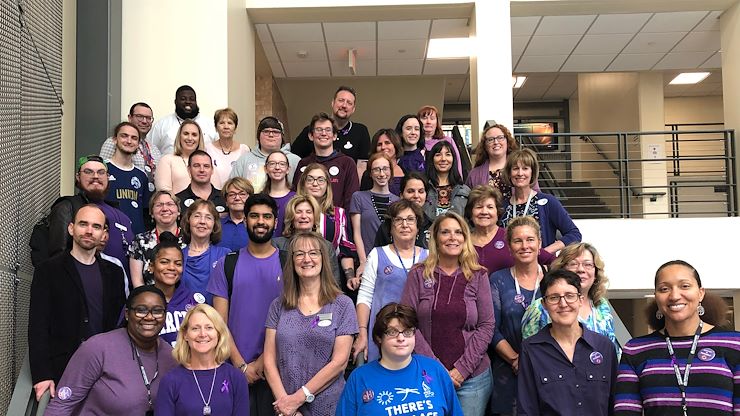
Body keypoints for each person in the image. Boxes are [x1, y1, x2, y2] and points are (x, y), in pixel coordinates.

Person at [615, 260, 739, 415]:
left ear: (700, 293)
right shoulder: (635, 349)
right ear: (656, 297)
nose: (674, 296)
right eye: (664, 289)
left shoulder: (734, 344)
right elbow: (625, 412)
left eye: (685, 286)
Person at [29, 204, 127, 401]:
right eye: (83, 224)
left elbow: (119, 325)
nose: (89, 231)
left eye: (96, 226)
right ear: (71, 228)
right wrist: (42, 374)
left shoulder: (114, 273)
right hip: (63, 370)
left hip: (104, 372)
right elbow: (38, 325)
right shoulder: (48, 270)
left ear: (103, 234)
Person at [401, 212, 494, 416]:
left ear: (465, 238)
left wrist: (462, 369)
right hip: (426, 375)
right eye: (445, 232)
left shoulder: (479, 275)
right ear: (435, 238)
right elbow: (407, 323)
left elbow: (487, 326)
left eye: (458, 232)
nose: (453, 237)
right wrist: (437, 369)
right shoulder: (418, 274)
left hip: (473, 379)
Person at [263, 231, 358, 416]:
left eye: (313, 253)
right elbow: (268, 361)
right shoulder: (278, 305)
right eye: (299, 254)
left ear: (323, 259)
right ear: (292, 261)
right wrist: (286, 405)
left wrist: (297, 398)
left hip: (330, 407)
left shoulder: (342, 305)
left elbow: (340, 362)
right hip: (286, 408)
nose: (307, 259)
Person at [44, 286, 177, 415]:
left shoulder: (171, 357)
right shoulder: (98, 348)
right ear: (127, 314)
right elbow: (61, 406)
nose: (149, 317)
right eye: (141, 310)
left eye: (157, 311)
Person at [209, 193, 284, 416]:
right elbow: (219, 323)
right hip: (235, 371)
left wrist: (263, 362)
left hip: (280, 371)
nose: (261, 221)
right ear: (246, 219)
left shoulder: (288, 263)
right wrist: (242, 366)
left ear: (275, 222)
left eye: (267, 216)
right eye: (254, 216)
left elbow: (293, 318)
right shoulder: (227, 264)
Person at [517, 269, 617, 416]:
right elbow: (527, 409)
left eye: (570, 296)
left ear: (581, 300)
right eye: (554, 298)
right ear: (544, 304)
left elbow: (615, 404)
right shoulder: (531, 349)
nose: (563, 304)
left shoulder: (604, 346)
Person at [337, 303, 464, 416]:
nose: (401, 338)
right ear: (379, 337)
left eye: (408, 332)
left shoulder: (434, 370)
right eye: (393, 332)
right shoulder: (359, 378)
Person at [353, 200, 428, 363]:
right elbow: (365, 296)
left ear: (418, 227)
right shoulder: (377, 254)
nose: (404, 224)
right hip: (383, 333)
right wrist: (362, 332)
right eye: (398, 220)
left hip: (419, 335)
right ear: (390, 227)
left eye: (410, 219)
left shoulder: (429, 257)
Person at [489, 215, 547, 415]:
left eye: (530, 239)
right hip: (509, 369)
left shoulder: (554, 279)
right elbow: (491, 328)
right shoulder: (498, 280)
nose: (525, 246)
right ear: (509, 246)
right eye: (518, 240)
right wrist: (515, 360)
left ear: (539, 243)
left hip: (549, 370)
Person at [521, 242, 621, 355]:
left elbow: (611, 349)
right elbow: (530, 354)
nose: (581, 270)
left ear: (596, 272)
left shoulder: (601, 305)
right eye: (573, 264)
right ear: (561, 269)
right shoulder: (539, 308)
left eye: (588, 264)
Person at [43, 155, 134, 273]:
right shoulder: (68, 207)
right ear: (78, 177)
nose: (95, 176)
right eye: (88, 172)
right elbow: (58, 255)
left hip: (118, 285)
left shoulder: (122, 215)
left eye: (101, 172)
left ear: (107, 177)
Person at [155, 304, 250, 415]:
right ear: (185, 335)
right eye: (195, 328)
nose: (202, 334)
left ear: (219, 334)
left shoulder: (236, 378)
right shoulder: (170, 381)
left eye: (209, 328)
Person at [500, 148, 581, 254]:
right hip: (510, 267)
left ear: (532, 173)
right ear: (509, 173)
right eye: (515, 168)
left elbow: (574, 234)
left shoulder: (548, 202)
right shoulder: (503, 207)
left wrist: (545, 252)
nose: (520, 173)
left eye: (525, 168)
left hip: (541, 266)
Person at [466, 185, 554, 275]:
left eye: (490, 207)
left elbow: (553, 262)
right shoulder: (463, 241)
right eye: (479, 207)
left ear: (498, 212)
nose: (484, 212)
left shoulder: (512, 237)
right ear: (471, 212)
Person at [296, 163, 358, 283]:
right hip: (301, 275)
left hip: (330, 276)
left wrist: (350, 276)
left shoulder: (339, 213)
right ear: (303, 184)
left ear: (327, 185)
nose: (315, 184)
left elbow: (344, 249)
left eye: (321, 180)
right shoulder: (295, 211)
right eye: (310, 179)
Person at [292, 112, 360, 211]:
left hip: (336, 222)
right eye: (319, 130)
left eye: (328, 130)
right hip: (306, 221)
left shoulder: (347, 163)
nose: (323, 133)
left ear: (334, 135)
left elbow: (351, 201)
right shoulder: (303, 164)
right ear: (311, 135)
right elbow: (296, 196)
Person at [149, 231, 206, 346]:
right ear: (151, 267)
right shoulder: (140, 300)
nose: (171, 268)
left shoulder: (194, 301)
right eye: (164, 262)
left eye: (178, 264)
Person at [291, 86, 371, 165]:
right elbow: (293, 159)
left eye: (349, 103)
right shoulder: (312, 130)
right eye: (341, 100)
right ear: (333, 103)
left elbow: (362, 166)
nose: (344, 105)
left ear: (353, 109)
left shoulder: (361, 131)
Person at [272, 194, 342, 285]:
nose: (304, 216)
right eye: (298, 212)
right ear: (291, 217)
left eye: (308, 212)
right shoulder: (277, 244)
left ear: (315, 217)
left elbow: (334, 283)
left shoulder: (326, 246)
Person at [350, 152, 400, 273]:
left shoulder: (398, 201)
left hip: (391, 263)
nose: (381, 174)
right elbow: (356, 233)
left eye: (385, 169)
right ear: (371, 174)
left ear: (391, 172)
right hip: (367, 260)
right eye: (376, 169)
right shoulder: (359, 197)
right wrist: (363, 262)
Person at [128, 190, 185, 287]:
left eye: (170, 204)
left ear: (178, 211)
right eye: (159, 205)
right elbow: (138, 283)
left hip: (185, 299)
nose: (165, 208)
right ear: (151, 213)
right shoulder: (140, 241)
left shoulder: (189, 239)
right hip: (150, 298)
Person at [230, 116, 300, 193]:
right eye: (266, 131)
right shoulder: (244, 160)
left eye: (275, 132)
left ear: (282, 137)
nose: (271, 135)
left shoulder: (295, 161)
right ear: (258, 136)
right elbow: (232, 188)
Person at [99, 102, 161, 186]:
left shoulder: (154, 149)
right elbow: (101, 171)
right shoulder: (114, 142)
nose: (144, 121)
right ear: (130, 118)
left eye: (148, 118)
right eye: (139, 116)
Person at [105, 121, 150, 234]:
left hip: (136, 237)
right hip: (110, 236)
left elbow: (145, 211)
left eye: (134, 138)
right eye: (124, 136)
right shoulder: (103, 170)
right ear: (115, 140)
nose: (129, 141)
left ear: (138, 144)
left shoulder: (141, 175)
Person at [180, 200, 230, 300]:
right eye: (197, 216)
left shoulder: (225, 255)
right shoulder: (178, 255)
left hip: (215, 314)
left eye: (208, 217)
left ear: (214, 225)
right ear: (188, 220)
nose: (202, 221)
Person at [149, 85, 218, 155]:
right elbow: (150, 151)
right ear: (175, 102)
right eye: (183, 99)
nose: (188, 102)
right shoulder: (161, 125)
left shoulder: (210, 125)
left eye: (191, 99)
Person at [374, 171, 433, 249]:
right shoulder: (388, 226)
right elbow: (379, 255)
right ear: (401, 195)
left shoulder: (432, 226)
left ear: (426, 196)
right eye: (410, 191)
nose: (416, 195)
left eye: (421, 191)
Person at [466, 124, 520, 199]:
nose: (496, 142)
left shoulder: (522, 169)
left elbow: (534, 196)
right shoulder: (474, 174)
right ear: (485, 145)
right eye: (490, 139)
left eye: (500, 138)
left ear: (507, 142)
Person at [155, 119, 207, 194]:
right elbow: (164, 193)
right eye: (186, 134)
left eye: (194, 135)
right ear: (179, 136)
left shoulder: (207, 162)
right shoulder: (167, 160)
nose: (190, 138)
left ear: (199, 138)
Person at [424, 141, 470, 219]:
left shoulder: (464, 190)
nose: (443, 159)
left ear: (454, 159)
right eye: (438, 155)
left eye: (448, 154)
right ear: (432, 159)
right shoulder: (423, 189)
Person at [205, 107, 249, 185]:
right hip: (213, 195)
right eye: (222, 123)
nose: (226, 127)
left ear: (235, 128)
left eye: (230, 123)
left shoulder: (244, 150)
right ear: (216, 127)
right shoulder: (207, 149)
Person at [176, 150, 228, 214]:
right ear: (189, 169)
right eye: (196, 166)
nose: (202, 170)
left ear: (212, 170)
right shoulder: (178, 200)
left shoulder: (225, 198)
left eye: (206, 166)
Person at [417, 105, 462, 177]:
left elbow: (457, 164)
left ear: (437, 122)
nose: (428, 122)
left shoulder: (448, 141)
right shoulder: (414, 143)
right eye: (424, 118)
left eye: (432, 118)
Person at [359, 129, 405, 195]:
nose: (383, 147)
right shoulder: (368, 174)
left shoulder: (405, 171)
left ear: (396, 145)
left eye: (387, 143)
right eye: (379, 144)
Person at [261, 150, 296, 238]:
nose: (277, 167)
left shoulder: (296, 199)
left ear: (288, 169)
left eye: (282, 164)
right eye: (272, 163)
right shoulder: (259, 199)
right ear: (265, 169)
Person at [217, 177, 254, 251]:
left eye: (242, 194)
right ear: (226, 201)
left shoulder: (257, 224)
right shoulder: (216, 225)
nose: (237, 198)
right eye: (232, 194)